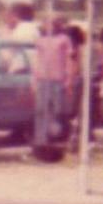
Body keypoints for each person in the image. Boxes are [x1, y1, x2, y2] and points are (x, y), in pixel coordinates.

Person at [32, 16, 73, 151]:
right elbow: (36, 60)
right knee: (41, 109)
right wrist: (34, 79)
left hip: (58, 80)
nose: (47, 26)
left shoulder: (64, 39)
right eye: (45, 24)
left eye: (50, 23)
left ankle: (56, 138)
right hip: (43, 79)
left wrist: (68, 79)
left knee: (57, 110)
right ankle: (40, 139)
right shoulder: (40, 40)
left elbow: (69, 60)